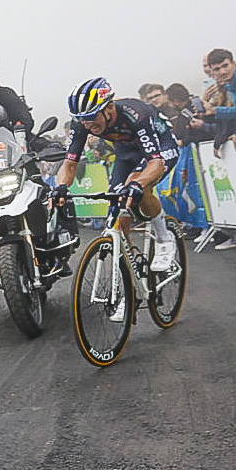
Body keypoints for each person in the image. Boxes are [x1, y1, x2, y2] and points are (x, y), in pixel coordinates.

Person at [52, 78, 180, 321]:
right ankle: (128, 292)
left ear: (109, 107)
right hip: (127, 154)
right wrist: (60, 187)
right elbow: (69, 163)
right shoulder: (83, 124)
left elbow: (155, 162)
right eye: (83, 119)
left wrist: (138, 183)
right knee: (116, 220)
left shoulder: (137, 114)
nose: (88, 124)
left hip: (160, 149)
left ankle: (164, 238)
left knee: (138, 188)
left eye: (93, 117)